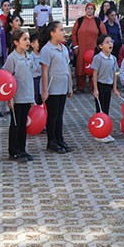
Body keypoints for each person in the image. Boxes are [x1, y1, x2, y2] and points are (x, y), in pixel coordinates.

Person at [2, 30, 35, 161]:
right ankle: (13, 151)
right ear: (16, 42)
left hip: (27, 95)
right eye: (24, 39)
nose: (28, 42)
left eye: (28, 39)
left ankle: (22, 149)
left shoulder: (29, 56)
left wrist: (32, 96)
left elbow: (30, 76)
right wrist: (9, 98)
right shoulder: (12, 58)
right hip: (16, 97)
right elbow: (6, 77)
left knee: (23, 124)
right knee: (15, 124)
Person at [40, 21, 73, 153]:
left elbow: (67, 68)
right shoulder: (47, 50)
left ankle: (60, 139)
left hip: (63, 86)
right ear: (52, 34)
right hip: (52, 88)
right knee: (52, 115)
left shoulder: (64, 48)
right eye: (61, 30)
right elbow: (44, 71)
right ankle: (51, 141)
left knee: (60, 115)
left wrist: (70, 86)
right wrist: (45, 90)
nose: (64, 33)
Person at [71, 3, 107, 93]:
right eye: (88, 8)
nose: (89, 10)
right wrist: (75, 46)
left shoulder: (98, 21)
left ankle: (92, 87)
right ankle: (80, 87)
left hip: (93, 49)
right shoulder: (79, 21)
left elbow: (104, 35)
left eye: (91, 9)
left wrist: (101, 47)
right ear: (85, 9)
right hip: (81, 48)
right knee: (80, 67)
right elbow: (74, 34)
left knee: (93, 67)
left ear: (94, 10)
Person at [90, 35, 120, 141]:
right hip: (100, 85)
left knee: (106, 109)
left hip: (108, 85)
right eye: (107, 42)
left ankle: (105, 131)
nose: (110, 44)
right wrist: (95, 89)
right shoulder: (98, 58)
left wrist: (115, 88)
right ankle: (99, 133)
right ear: (101, 46)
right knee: (100, 109)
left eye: (111, 41)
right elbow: (94, 73)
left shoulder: (113, 58)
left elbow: (116, 72)